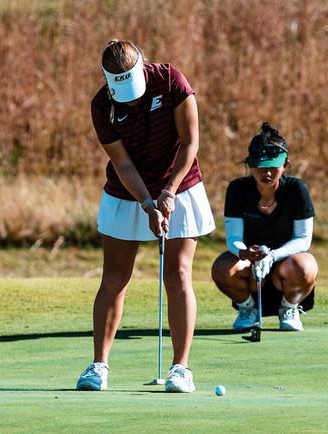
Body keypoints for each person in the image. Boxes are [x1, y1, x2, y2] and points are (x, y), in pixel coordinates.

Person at [76, 40, 215, 393]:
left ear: (143, 66)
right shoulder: (102, 105)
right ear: (109, 81)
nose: (132, 98)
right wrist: (147, 203)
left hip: (180, 185)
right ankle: (98, 366)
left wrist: (167, 193)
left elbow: (190, 143)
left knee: (178, 273)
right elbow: (122, 163)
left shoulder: (171, 82)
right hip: (127, 190)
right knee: (115, 277)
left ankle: (181, 368)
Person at [211, 122, 318, 332]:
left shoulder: (297, 190)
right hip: (250, 270)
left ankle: (289, 307)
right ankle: (247, 308)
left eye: (272, 167)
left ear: (285, 165)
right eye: (260, 166)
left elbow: (303, 239)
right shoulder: (237, 189)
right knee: (222, 267)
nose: (266, 172)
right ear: (250, 165)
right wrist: (244, 252)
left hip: (287, 268)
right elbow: (233, 237)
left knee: (306, 266)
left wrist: (272, 256)